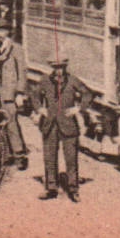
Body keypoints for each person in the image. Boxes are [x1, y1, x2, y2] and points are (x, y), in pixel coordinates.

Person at [33, 57, 90, 202]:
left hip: (69, 126)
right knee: (49, 158)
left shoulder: (73, 80)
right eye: (56, 67)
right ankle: (51, 188)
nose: (59, 70)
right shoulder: (45, 80)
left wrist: (78, 108)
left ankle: (73, 189)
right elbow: (34, 95)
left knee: (71, 159)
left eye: (62, 67)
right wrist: (40, 109)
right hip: (49, 125)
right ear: (52, 67)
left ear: (65, 67)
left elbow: (88, 94)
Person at [0, 23, 29, 170]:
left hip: (10, 93)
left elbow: (22, 72)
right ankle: (8, 154)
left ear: (8, 32)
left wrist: (19, 92)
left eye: (2, 31)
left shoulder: (16, 49)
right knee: (1, 123)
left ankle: (20, 155)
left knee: (11, 122)